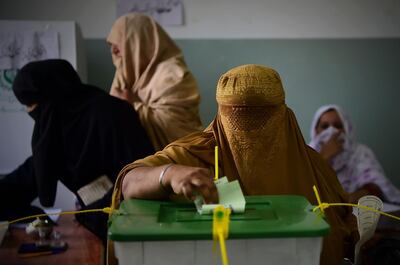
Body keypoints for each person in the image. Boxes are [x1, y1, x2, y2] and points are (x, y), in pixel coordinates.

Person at [116, 64, 358, 265]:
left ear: (283, 113)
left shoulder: (313, 165)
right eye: (238, 118)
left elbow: (345, 228)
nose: (250, 132)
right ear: (221, 115)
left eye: (262, 118)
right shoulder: (195, 155)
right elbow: (129, 182)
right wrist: (169, 174)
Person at [0, 59, 154, 243]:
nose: (30, 112)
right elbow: (29, 175)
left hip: (131, 229)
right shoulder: (58, 128)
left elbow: (140, 176)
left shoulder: (113, 114)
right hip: (94, 228)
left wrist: (88, 217)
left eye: (32, 105)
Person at [107, 13, 203, 151]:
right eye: (111, 45)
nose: (114, 51)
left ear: (139, 41)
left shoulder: (174, 74)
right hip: (141, 160)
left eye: (118, 44)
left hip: (183, 160)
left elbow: (175, 128)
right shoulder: (126, 72)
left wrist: (130, 106)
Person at [309, 104, 400, 204]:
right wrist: (324, 156)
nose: (331, 131)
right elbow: (301, 184)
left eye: (338, 126)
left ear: (346, 128)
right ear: (316, 130)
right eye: (325, 126)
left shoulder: (360, 153)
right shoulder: (306, 153)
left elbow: (377, 184)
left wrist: (364, 193)